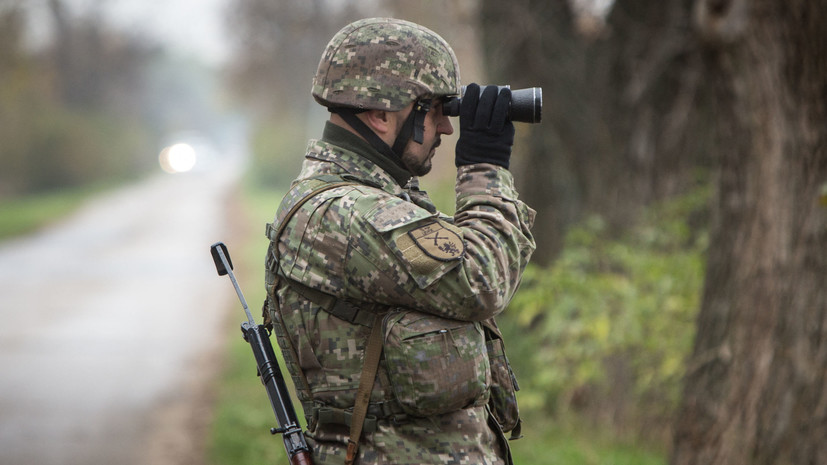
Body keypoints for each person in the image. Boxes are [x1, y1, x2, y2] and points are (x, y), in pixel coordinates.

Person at [264, 17, 536, 465]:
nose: (446, 130)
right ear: (380, 114)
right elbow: (482, 280)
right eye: (433, 110)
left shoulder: (377, 198)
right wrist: (485, 168)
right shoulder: (348, 212)